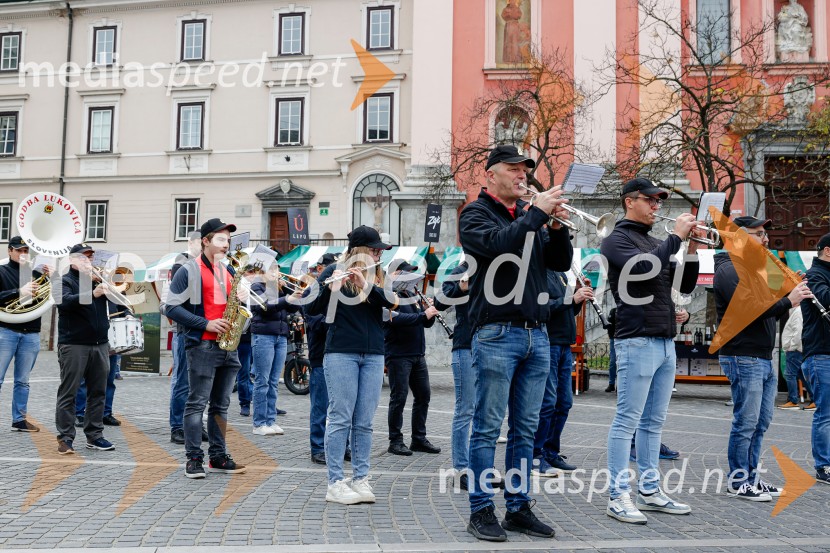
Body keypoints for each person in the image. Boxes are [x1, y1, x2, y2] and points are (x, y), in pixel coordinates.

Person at [459, 144, 572, 542]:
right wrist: (538, 214)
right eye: (513, 169)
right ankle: (480, 509)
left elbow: (557, 264)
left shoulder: (530, 218)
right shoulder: (475, 214)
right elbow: (498, 246)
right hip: (497, 333)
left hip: (536, 333)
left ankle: (519, 507)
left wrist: (556, 228)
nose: (522, 175)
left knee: (526, 429)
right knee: (487, 428)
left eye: (525, 169)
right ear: (491, 173)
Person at [600, 177, 701, 524]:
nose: (657, 207)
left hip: (664, 339)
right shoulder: (616, 239)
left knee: (653, 423)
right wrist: (676, 238)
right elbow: (643, 270)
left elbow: (684, 283)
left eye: (660, 202)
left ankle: (649, 489)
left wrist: (691, 249)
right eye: (652, 200)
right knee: (627, 420)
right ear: (631, 201)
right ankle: (617, 495)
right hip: (636, 339)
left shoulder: (657, 240)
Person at [714, 216, 812, 500]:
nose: (766, 239)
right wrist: (787, 299)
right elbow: (749, 308)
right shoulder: (729, 268)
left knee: (761, 422)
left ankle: (752, 478)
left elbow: (772, 313)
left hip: (761, 356)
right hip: (742, 355)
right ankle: (738, 481)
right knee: (745, 422)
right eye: (759, 234)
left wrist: (790, 295)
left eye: (764, 234)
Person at [307, 225, 398, 505]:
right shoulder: (332, 271)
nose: (376, 254)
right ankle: (335, 482)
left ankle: (360, 478)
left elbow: (392, 303)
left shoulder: (377, 277)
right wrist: (331, 290)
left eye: (378, 251)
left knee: (364, 422)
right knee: (340, 417)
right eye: (372, 249)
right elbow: (310, 309)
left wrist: (365, 285)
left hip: (372, 354)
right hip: (341, 353)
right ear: (359, 250)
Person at [165, 218, 247, 479]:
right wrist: (206, 324)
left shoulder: (229, 271)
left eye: (228, 240)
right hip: (201, 344)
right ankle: (193, 459)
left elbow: (232, 305)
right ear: (205, 241)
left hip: (227, 345)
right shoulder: (188, 270)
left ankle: (218, 456)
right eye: (221, 239)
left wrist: (242, 297)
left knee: (221, 406)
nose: (226, 245)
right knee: (196, 403)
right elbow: (172, 308)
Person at [54, 243, 116, 454]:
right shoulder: (64, 281)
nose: (87, 261)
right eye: (82, 257)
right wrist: (93, 293)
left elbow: (118, 303)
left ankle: (95, 435)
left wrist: (108, 287)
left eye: (89, 258)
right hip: (74, 344)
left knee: (98, 392)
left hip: (99, 344)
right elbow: (64, 303)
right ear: (71, 260)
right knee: (69, 392)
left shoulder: (97, 281)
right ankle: (65, 438)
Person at [532, 270, 592, 477]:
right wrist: (570, 298)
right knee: (547, 403)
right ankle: (535, 454)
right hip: (547, 343)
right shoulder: (538, 272)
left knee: (564, 403)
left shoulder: (560, 274)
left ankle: (550, 451)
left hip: (565, 345)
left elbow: (569, 310)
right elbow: (541, 307)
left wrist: (577, 296)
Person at [384, 261, 440, 456]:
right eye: (406, 273)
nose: (411, 278)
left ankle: (418, 438)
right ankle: (395, 440)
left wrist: (428, 313)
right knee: (398, 398)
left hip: (417, 354)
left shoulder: (412, 296)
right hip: (399, 354)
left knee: (423, 395)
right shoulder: (388, 296)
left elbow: (425, 324)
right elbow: (397, 320)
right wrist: (422, 315)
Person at [250, 259, 301, 435]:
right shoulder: (257, 286)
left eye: (277, 269)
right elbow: (264, 307)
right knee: (262, 381)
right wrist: (286, 298)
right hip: (263, 336)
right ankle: (259, 423)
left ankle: (271, 421)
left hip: (280, 337)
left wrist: (293, 294)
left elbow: (293, 307)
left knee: (273, 382)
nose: (276, 272)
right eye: (272, 269)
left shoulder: (279, 287)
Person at [165, 231, 206, 445]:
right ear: (191, 243)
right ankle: (177, 427)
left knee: (198, 383)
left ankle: (195, 424)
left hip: (202, 331)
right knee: (182, 381)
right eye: (202, 242)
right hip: (185, 331)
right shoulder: (181, 262)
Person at [0, 236, 43, 432]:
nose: (23, 254)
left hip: (31, 332)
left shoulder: (35, 273)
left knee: (23, 381)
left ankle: (19, 420)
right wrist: (19, 291)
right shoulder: (1, 271)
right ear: (9, 251)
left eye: (26, 251)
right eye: (19, 250)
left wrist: (50, 278)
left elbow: (52, 298)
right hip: (6, 330)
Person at [800, 233, 830, 485]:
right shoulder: (814, 275)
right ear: (828, 252)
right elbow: (826, 299)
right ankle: (824, 465)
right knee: (826, 412)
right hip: (821, 354)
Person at [75, 302, 123, 428]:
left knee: (109, 380)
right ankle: (79, 413)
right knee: (83, 381)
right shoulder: (88, 287)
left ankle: (106, 413)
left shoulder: (113, 291)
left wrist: (128, 315)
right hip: (88, 338)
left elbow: (124, 308)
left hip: (112, 337)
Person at [780, 306, 813, 409]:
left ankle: (793, 401)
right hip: (797, 349)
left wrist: (792, 347)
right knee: (801, 375)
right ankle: (815, 399)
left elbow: (798, 331)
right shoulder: (799, 310)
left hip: (794, 350)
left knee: (789, 374)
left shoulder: (798, 311)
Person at [605, 308, 617, 393]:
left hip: (625, 338)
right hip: (614, 338)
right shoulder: (613, 311)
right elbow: (609, 324)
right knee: (613, 362)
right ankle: (611, 384)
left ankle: (619, 386)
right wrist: (610, 335)